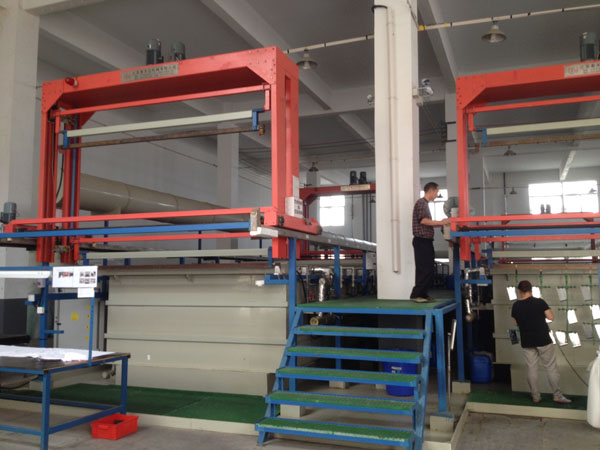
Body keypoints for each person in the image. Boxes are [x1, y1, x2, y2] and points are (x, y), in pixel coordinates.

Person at [511, 280, 571, 404]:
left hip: (527, 341)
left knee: (532, 368)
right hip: (543, 339)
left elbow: (516, 323)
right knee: (551, 368)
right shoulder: (539, 302)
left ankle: (536, 396)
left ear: (519, 291)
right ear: (531, 289)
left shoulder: (516, 305)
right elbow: (551, 317)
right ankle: (557, 396)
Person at [409, 182, 450, 303]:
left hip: (426, 241)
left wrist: (441, 223)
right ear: (431, 191)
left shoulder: (425, 204)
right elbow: (423, 220)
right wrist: (441, 222)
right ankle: (416, 295)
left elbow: (427, 222)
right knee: (424, 268)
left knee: (429, 268)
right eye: (437, 192)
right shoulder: (421, 203)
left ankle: (423, 294)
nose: (437, 194)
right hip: (422, 240)